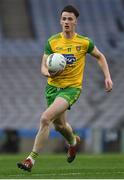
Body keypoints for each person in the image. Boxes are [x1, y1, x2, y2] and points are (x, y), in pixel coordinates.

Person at [17, 5, 113, 172]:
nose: (67, 22)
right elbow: (43, 66)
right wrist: (48, 73)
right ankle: (73, 142)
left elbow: (100, 56)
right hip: (52, 88)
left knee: (45, 118)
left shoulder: (84, 42)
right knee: (59, 126)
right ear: (60, 21)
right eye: (64, 19)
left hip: (71, 89)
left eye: (70, 19)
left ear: (75, 21)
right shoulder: (52, 41)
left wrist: (107, 77)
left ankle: (30, 160)